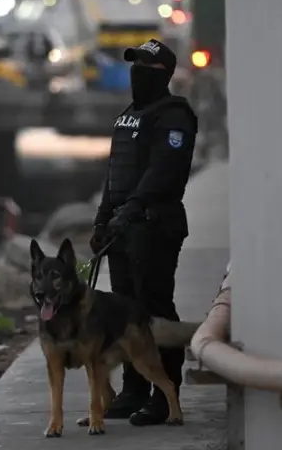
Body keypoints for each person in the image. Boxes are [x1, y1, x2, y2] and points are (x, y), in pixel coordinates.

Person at [90, 38, 198, 426]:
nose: (136, 74)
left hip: (154, 225)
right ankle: (133, 392)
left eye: (144, 68)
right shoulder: (129, 115)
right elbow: (115, 174)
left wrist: (133, 209)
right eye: (133, 66)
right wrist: (103, 220)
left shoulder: (174, 116)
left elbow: (163, 170)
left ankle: (165, 396)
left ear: (163, 75)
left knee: (155, 311)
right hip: (122, 230)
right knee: (123, 314)